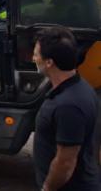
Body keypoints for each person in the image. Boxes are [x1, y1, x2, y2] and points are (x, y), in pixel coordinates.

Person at [32, 26, 99, 191]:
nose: (33, 58)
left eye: (36, 54)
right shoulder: (80, 87)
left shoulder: (69, 106)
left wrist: (47, 188)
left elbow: (65, 162)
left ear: (49, 62)